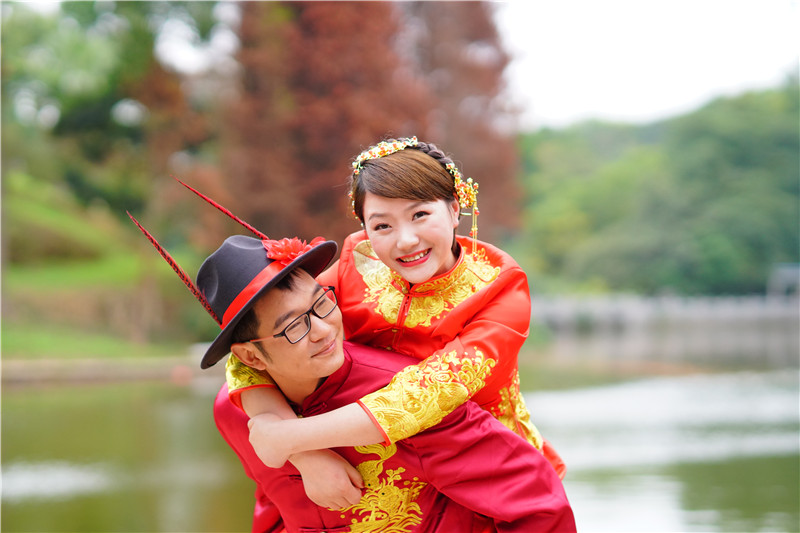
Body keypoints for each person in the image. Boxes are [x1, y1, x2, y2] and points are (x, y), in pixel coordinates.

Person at [129, 224, 576, 532]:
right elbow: (273, 507)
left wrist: (292, 441)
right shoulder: (236, 410)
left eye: (322, 304)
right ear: (250, 357)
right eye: (294, 326)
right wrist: (305, 455)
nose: (324, 330)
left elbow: (538, 500)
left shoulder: (406, 395)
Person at [224, 137, 566, 494]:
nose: (405, 241)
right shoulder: (357, 265)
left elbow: (430, 392)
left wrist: (290, 438)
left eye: (420, 215)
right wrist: (307, 456)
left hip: (492, 472)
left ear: (454, 209)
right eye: (382, 226)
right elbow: (254, 350)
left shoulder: (500, 287)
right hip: (390, 474)